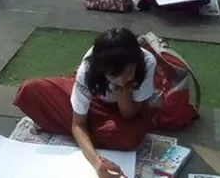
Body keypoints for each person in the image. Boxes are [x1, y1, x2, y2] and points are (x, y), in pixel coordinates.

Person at [14, 28, 159, 177]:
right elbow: (78, 124)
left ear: (136, 64)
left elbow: (129, 114)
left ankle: (89, 135)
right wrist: (97, 163)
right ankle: (96, 134)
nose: (121, 80)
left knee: (128, 137)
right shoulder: (88, 69)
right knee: (29, 91)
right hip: (95, 103)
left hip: (123, 111)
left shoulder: (147, 62)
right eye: (114, 76)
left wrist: (125, 91)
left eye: (128, 74)